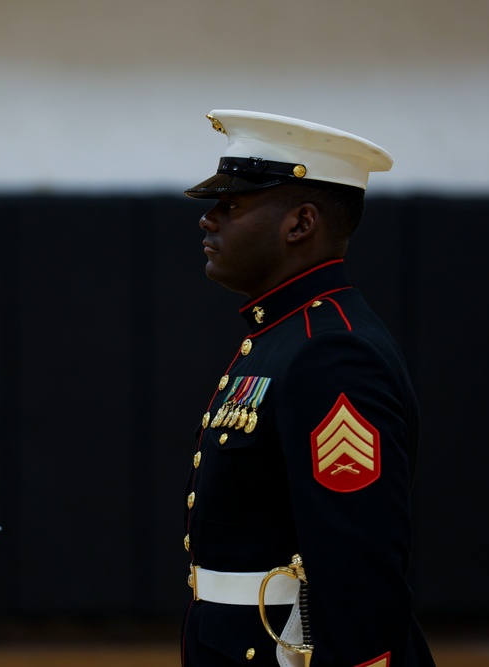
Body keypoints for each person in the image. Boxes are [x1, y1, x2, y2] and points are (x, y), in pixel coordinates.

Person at [180, 110, 435, 667]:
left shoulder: (330, 352)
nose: (208, 220)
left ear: (300, 224)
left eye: (232, 206)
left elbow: (357, 570)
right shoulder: (282, 334)